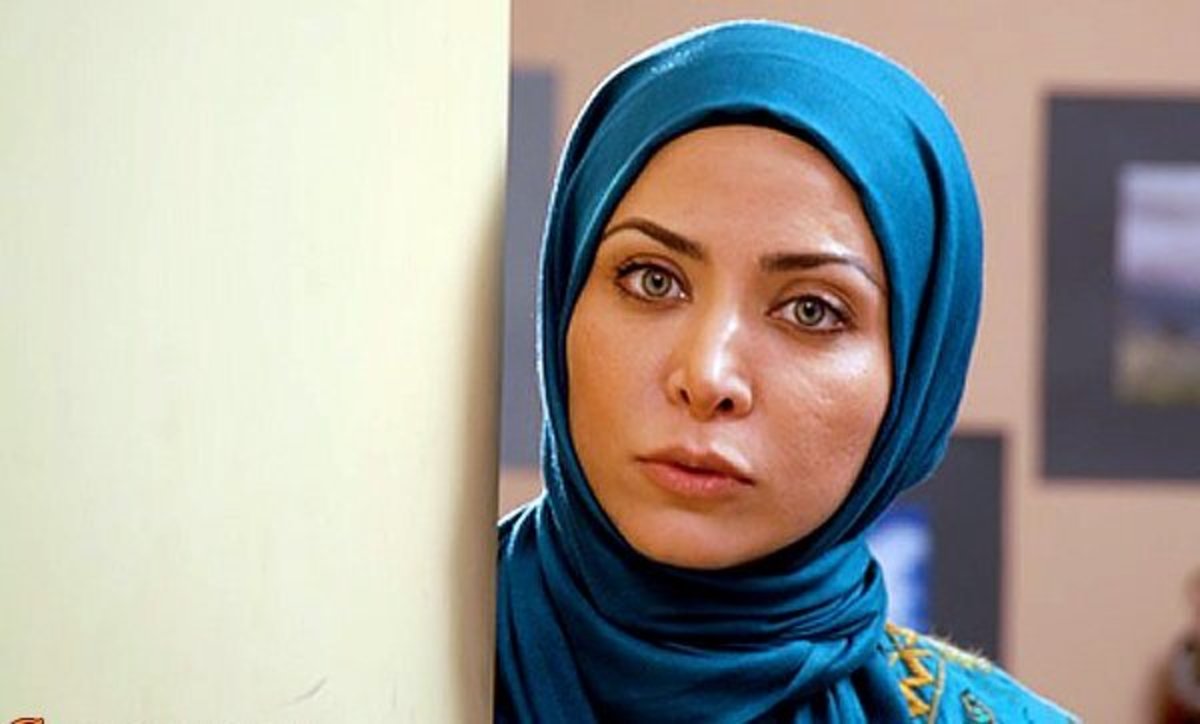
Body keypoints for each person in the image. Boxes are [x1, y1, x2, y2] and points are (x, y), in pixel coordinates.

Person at [495, 20, 1075, 722]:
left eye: (811, 310)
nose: (708, 377)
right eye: (652, 279)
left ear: (915, 383)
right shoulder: (378, 655)